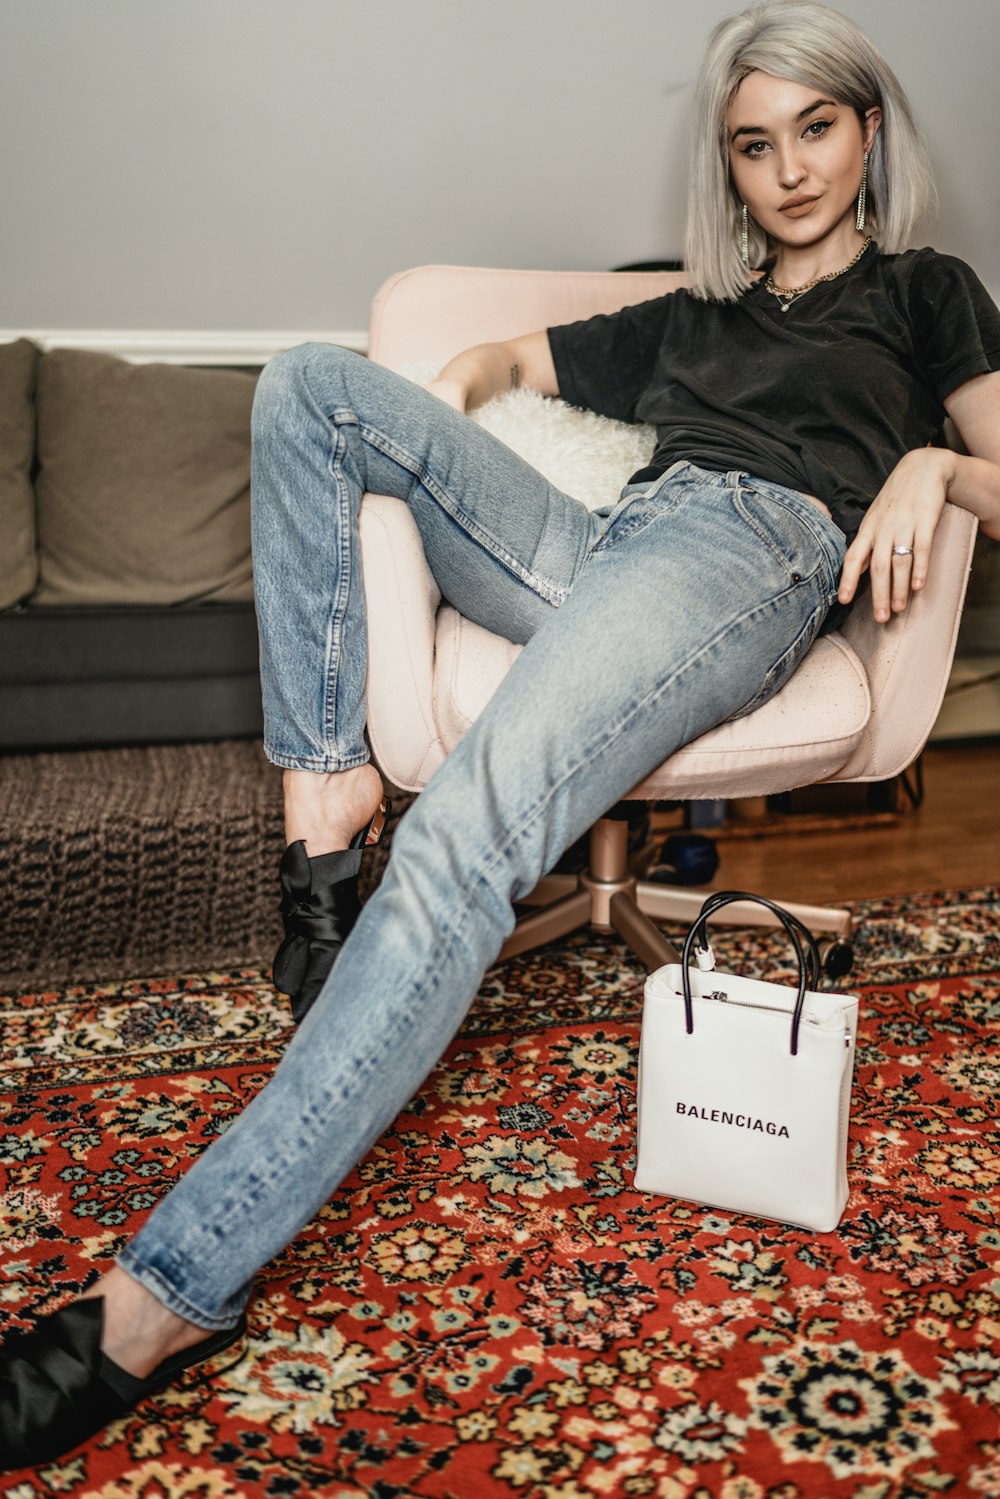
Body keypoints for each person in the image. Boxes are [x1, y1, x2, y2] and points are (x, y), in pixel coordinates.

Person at [3, 0, 999, 1470]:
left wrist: (931, 466)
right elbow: (491, 367)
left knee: (468, 829)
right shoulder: (690, 312)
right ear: (725, 168)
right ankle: (323, 798)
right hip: (603, 539)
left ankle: (164, 1296)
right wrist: (456, 400)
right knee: (309, 385)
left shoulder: (928, 294)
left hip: (747, 562)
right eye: (753, 143)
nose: (789, 169)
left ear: (869, 130)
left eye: (818, 128)